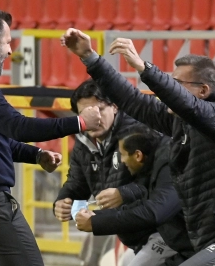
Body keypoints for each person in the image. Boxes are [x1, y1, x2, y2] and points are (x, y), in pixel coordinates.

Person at [61, 28, 215, 266]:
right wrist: (91, 58)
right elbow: (133, 100)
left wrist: (145, 69)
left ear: (203, 91)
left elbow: (186, 104)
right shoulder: (180, 122)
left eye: (177, 83)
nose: (167, 92)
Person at [0, 7, 101, 266]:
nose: (10, 51)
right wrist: (80, 122)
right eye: (7, 42)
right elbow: (18, 127)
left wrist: (36, 155)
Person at [53, 79, 156, 265]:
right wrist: (63, 202)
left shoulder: (138, 135)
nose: (95, 118)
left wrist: (123, 193)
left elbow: (159, 184)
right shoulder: (84, 142)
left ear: (115, 107)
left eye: (100, 109)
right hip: (127, 231)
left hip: (158, 230)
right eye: (86, 113)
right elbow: (77, 184)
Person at [75, 125, 194, 266]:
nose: (122, 161)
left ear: (138, 155)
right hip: (171, 233)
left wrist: (96, 222)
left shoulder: (169, 163)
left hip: (189, 239)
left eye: (123, 155)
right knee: (126, 261)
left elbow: (155, 211)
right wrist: (119, 197)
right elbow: (147, 191)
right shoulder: (155, 157)